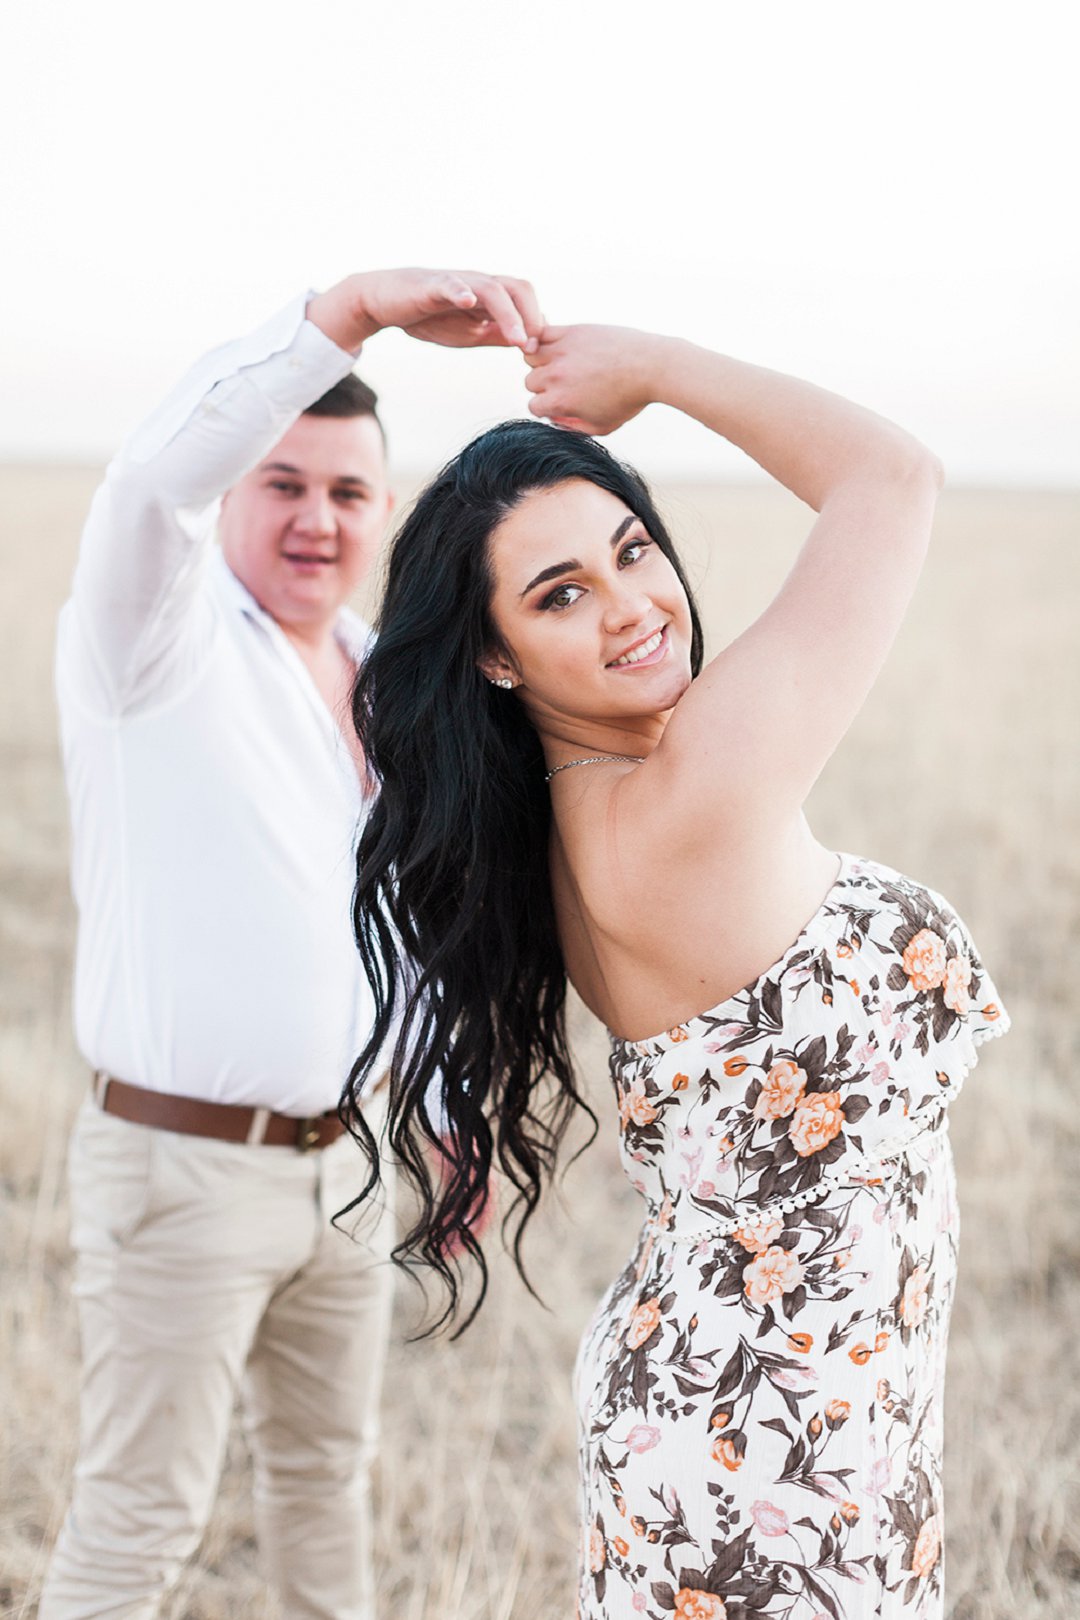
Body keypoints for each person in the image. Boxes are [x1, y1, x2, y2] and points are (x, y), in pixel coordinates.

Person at [340, 320, 1010, 1618]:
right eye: (559, 594)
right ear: (493, 655)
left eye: (632, 549)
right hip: (773, 1449)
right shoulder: (689, 795)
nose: (634, 605)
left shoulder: (587, 814)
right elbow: (892, 478)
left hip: (764, 1410)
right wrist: (651, 371)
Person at [42, 267, 543, 1619]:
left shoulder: (382, 687)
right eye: (283, 485)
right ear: (234, 500)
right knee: (137, 1525)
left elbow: (406, 931)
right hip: (182, 1174)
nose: (317, 519)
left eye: (348, 492)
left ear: (384, 511)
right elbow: (151, 485)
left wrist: (446, 1114)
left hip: (345, 1170)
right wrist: (354, 308)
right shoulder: (151, 644)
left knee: (328, 1495)